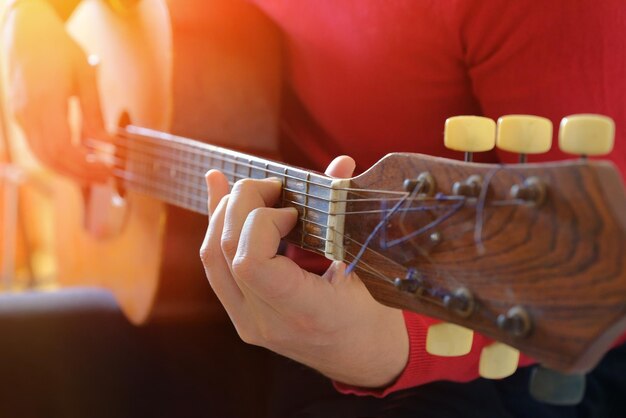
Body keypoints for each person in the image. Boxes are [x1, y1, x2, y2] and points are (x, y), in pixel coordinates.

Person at [3, 0, 626, 416]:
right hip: (210, 284)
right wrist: (32, 23)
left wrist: (387, 350)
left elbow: (596, 280)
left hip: (472, 340)